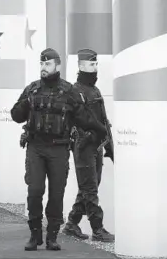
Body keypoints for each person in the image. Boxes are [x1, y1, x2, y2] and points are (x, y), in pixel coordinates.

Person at [10, 48, 107, 251]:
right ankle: (35, 234)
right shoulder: (33, 89)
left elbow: (84, 117)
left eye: (48, 64)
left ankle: (52, 236)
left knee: (56, 194)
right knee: (35, 191)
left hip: (59, 149)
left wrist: (101, 130)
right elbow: (16, 115)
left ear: (57, 65)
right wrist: (26, 104)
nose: (43, 68)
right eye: (42, 64)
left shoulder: (69, 91)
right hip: (36, 148)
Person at [62, 49, 115, 242]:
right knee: (90, 189)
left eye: (96, 64)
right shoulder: (75, 91)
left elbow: (103, 118)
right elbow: (83, 119)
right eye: (92, 65)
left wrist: (110, 147)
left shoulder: (95, 91)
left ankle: (72, 223)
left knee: (90, 187)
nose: (95, 68)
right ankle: (98, 229)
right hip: (83, 147)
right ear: (81, 66)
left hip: (97, 147)